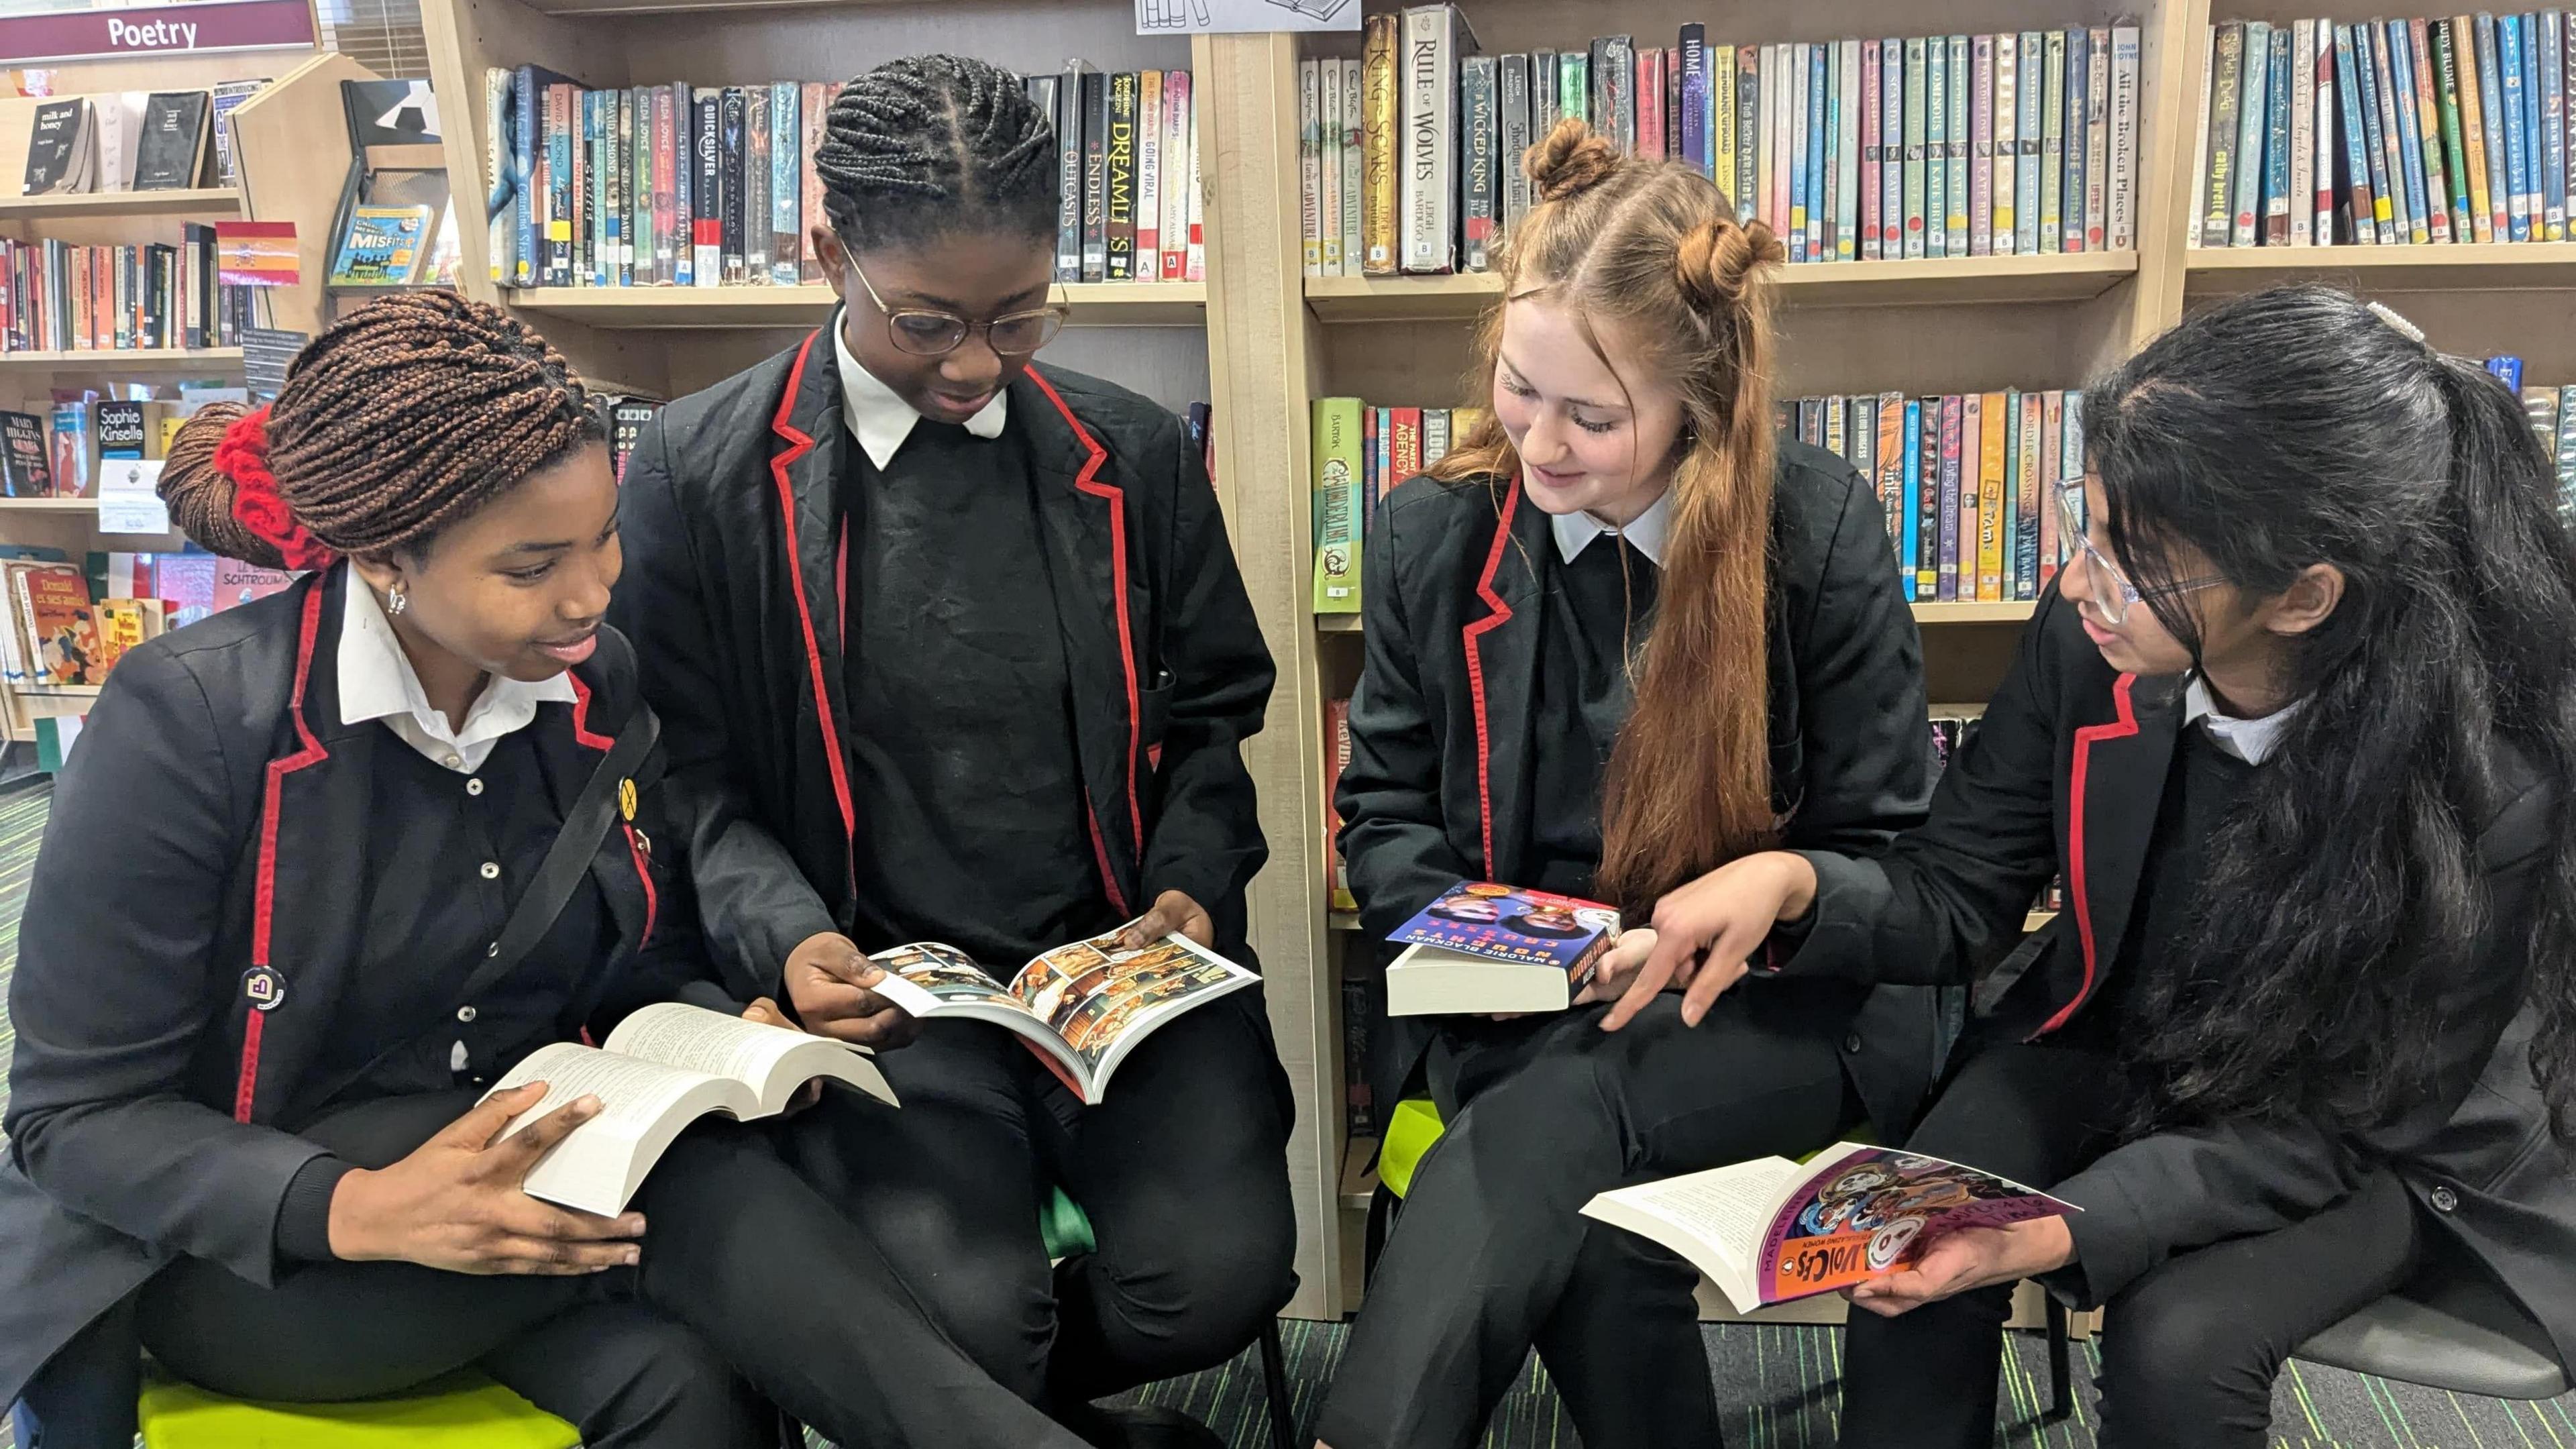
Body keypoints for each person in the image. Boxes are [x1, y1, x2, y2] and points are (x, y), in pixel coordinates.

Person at [0, 292, 1096, 1449]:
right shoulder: (193, 720)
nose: (591, 595)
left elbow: (626, 958)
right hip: (245, 1250)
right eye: (531, 566)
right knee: (699, 1207)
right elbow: (72, 1119)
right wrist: (360, 1208)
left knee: (688, 1387)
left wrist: (735, 1036)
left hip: (519, 1190)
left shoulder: (589, 683)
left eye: (603, 537)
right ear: (384, 559)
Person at [1615, 284, 2576, 1446]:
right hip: (2114, 1035)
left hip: (2366, 1133)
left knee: (2178, 1339)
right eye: (2093, 525)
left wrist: (2057, 1228)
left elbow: (2336, 1125)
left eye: (2133, 557)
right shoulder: (2098, 641)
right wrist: (1798, 885)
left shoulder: (2485, 783)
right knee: (1907, 1246)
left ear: (2304, 597)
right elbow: (1961, 888)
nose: (2079, 582)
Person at [609, 53, 1295, 1446]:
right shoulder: (695, 471)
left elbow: (1217, 707)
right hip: (881, 989)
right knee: (971, 1313)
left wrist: (1191, 879)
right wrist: (786, 936)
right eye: (926, 320)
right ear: (827, 254)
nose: (976, 365)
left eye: (1021, 317)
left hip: (1114, 969)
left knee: (1211, 1288)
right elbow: (684, 773)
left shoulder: (1134, 450)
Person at [1312, 120, 1937, 1449]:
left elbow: (1897, 862)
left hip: (1760, 1013)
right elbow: (1385, 810)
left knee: (1556, 1121)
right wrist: (1521, 947)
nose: (1536, 444)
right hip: (1508, 997)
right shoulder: (1436, 531)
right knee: (1592, 1224)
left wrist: (1768, 902)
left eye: (1592, 416)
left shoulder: (1816, 532)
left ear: (1697, 408)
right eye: (1517, 388)